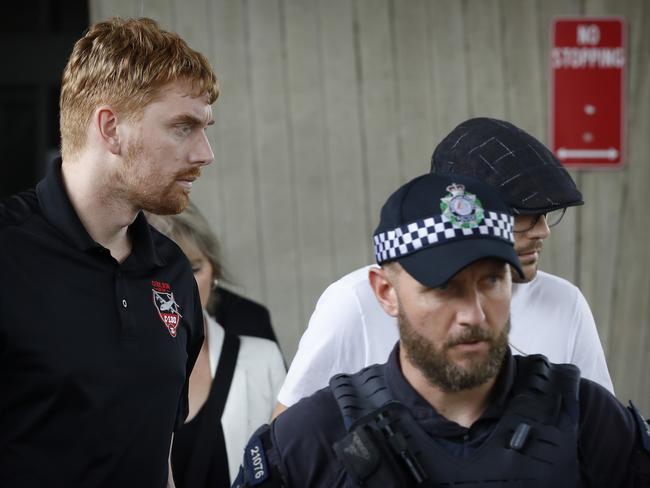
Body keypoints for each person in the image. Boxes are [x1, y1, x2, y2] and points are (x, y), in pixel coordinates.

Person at [234, 172, 650, 487]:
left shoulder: (588, 418)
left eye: (491, 281)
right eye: (443, 287)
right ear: (386, 292)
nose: (473, 314)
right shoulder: (312, 437)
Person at [0, 17, 218, 487]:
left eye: (204, 129)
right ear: (111, 128)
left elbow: (160, 454)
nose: (205, 153)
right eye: (183, 127)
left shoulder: (174, 272)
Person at [274, 117, 612, 418]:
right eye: (524, 215)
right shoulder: (354, 303)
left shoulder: (565, 303)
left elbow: (600, 434)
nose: (543, 231)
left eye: (493, 283)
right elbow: (290, 442)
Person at [148, 203, 286, 487]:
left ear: (215, 274)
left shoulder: (262, 360)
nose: (183, 284)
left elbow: (287, 466)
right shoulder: (110, 366)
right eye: (166, 271)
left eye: (195, 268)